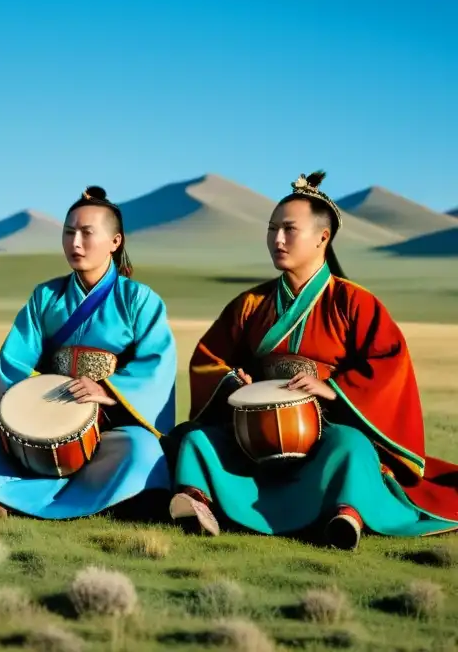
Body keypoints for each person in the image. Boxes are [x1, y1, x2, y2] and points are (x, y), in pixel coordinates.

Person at [170, 171, 458, 548]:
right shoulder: (250, 305)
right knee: (196, 439)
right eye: (272, 229)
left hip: (325, 431)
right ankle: (197, 502)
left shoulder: (354, 302)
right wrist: (232, 382)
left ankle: (346, 517)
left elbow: (388, 365)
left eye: (289, 230)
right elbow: (210, 358)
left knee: (352, 446)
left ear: (323, 237)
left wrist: (333, 389)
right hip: (256, 436)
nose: (277, 239)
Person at [0, 186, 177, 519]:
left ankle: (107, 499)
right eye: (69, 233)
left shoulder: (139, 300)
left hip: (110, 421)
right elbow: (15, 358)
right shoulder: (46, 296)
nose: (75, 243)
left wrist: (107, 390)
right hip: (48, 413)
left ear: (116, 241)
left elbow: (156, 364)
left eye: (87, 233)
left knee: (141, 451)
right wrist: (29, 406)